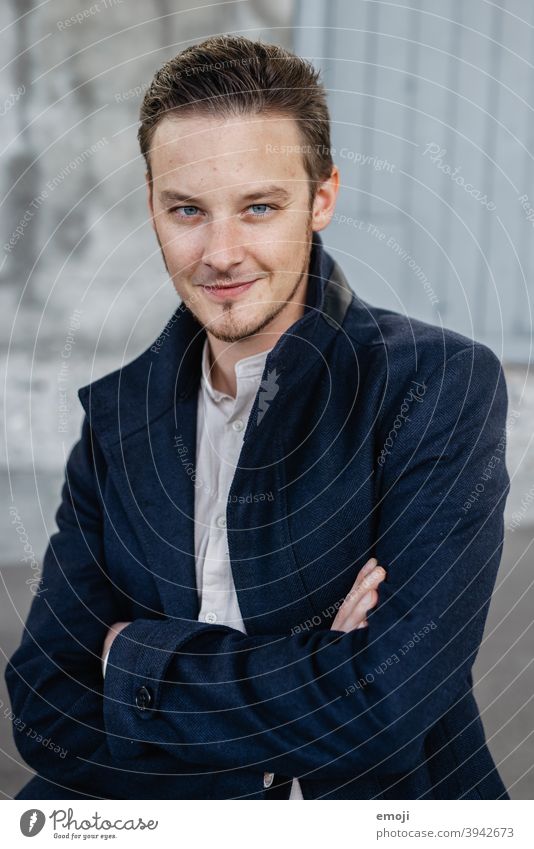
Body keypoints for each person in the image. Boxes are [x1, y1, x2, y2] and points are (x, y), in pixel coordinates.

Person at [6, 35, 510, 800]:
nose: (221, 252)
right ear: (152, 207)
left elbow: (387, 702)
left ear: (323, 199)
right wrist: (311, 681)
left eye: (260, 207)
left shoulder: (439, 384)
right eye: (187, 210)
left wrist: (133, 661)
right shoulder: (117, 416)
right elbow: (46, 704)